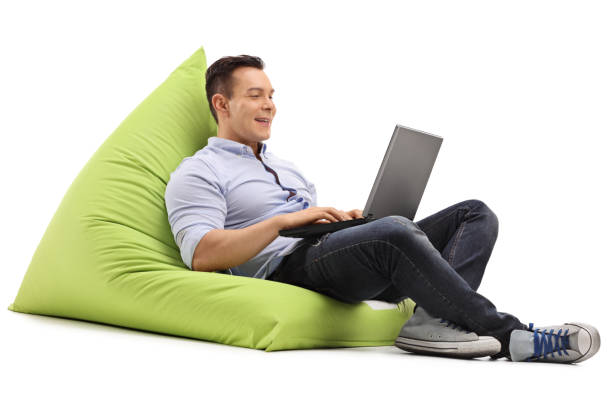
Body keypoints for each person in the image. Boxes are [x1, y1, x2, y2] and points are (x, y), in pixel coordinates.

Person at [164, 54, 600, 364]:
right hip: (287, 269)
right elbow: (201, 254)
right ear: (221, 104)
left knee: (475, 213)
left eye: (272, 95)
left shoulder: (285, 167)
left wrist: (347, 224)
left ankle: (430, 322)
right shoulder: (199, 171)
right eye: (256, 95)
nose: (270, 104)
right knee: (393, 230)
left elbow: (320, 236)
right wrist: (283, 222)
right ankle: (514, 337)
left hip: (326, 253)